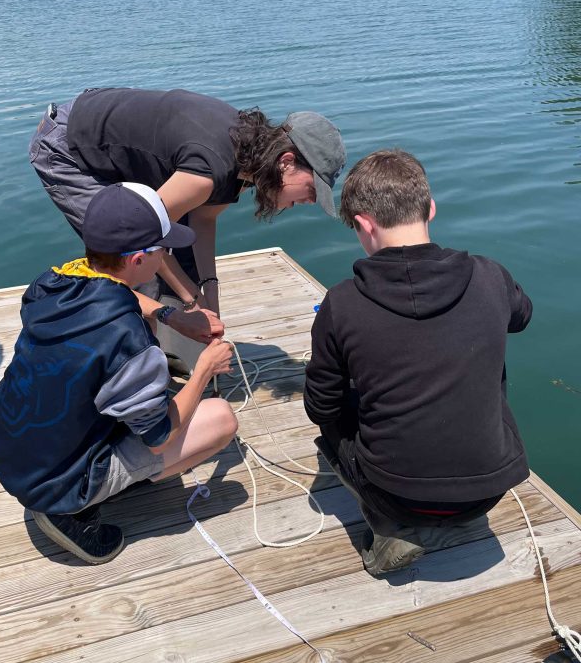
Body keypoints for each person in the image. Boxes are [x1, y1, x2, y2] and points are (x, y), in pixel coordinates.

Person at [303, 149, 532, 577]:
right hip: (487, 493)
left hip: (398, 498)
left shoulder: (342, 303)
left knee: (335, 411)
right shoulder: (491, 275)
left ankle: (388, 528)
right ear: (430, 208)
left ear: (364, 224)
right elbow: (522, 317)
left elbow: (321, 408)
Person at [0, 181, 238, 564]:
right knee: (220, 418)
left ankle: (93, 481)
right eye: (162, 249)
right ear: (137, 260)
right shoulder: (126, 339)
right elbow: (159, 437)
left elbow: (116, 292)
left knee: (142, 358)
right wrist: (205, 369)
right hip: (58, 484)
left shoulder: (50, 283)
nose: (166, 254)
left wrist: (170, 315)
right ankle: (73, 513)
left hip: (13, 449)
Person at [29, 88, 346, 343]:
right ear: (286, 161)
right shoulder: (210, 169)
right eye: (311, 189)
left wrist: (209, 296)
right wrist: (192, 301)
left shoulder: (251, 159)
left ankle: (171, 353)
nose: (310, 201)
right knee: (135, 263)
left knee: (182, 259)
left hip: (120, 150)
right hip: (70, 147)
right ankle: (135, 377)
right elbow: (143, 235)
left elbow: (203, 221)